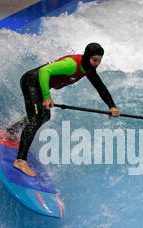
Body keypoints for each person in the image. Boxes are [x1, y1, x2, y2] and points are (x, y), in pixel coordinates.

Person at [7, 42, 120, 177]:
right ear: (88, 56)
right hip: (31, 82)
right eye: (94, 60)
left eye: (99, 61)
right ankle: (20, 160)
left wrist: (111, 106)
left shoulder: (88, 68)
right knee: (36, 119)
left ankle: (12, 130)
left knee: (44, 116)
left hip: (39, 86)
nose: (96, 63)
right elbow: (45, 71)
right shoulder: (72, 64)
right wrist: (47, 97)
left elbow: (100, 87)